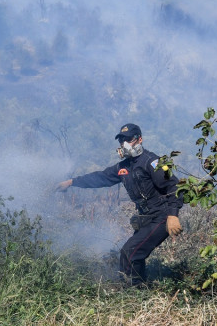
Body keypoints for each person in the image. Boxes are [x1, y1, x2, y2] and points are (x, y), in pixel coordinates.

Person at [56, 123, 183, 286]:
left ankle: (132, 292)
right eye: (122, 140)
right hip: (146, 217)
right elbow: (100, 177)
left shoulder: (153, 162)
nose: (124, 144)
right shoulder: (123, 167)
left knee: (130, 252)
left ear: (139, 140)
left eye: (129, 139)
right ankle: (140, 288)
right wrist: (72, 182)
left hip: (162, 216)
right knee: (132, 253)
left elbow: (175, 186)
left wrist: (173, 215)